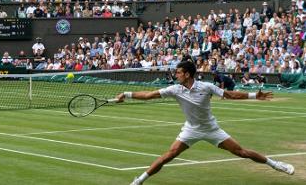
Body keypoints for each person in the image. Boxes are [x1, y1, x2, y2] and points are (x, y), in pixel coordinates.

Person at [116, 61, 294, 185]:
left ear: (187, 74)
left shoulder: (206, 87)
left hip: (210, 129)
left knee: (241, 152)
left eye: (178, 72)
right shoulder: (174, 89)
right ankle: (139, 181)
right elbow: (149, 95)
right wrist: (126, 94)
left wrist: (255, 95)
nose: (175, 74)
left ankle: (277, 165)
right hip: (190, 129)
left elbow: (229, 95)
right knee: (168, 156)